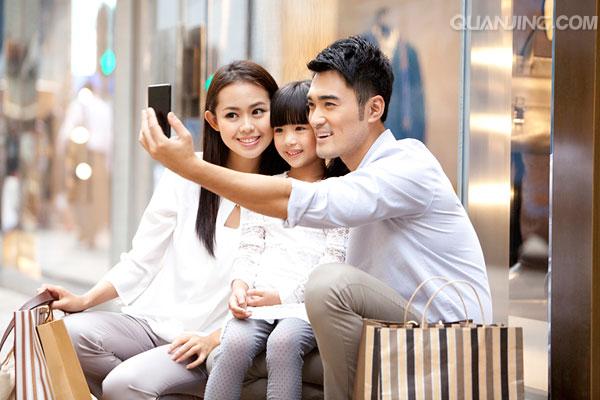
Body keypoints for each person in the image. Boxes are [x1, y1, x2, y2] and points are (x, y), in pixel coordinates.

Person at [139, 36, 493, 400]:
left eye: (330, 105)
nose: (316, 118)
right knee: (229, 360)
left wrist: (191, 167)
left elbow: (306, 201)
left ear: (374, 109)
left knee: (328, 283)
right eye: (312, 106)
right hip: (381, 334)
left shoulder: (407, 164)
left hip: (443, 342)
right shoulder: (353, 176)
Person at [41, 60, 287, 399]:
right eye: (232, 115)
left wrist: (214, 338)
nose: (247, 126)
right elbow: (141, 259)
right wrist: (85, 299)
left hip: (210, 344)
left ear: (276, 112)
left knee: (122, 384)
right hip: (153, 325)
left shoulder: (286, 191)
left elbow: (280, 292)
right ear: (213, 121)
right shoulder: (186, 173)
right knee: (68, 336)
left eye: (258, 111)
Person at [204, 80, 349, 400]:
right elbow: (249, 247)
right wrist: (239, 286)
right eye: (280, 130)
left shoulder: (337, 193)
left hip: (306, 305)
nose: (289, 140)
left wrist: (282, 296)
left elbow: (333, 261)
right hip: (258, 301)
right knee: (234, 343)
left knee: (284, 343)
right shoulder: (264, 187)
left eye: (300, 129)